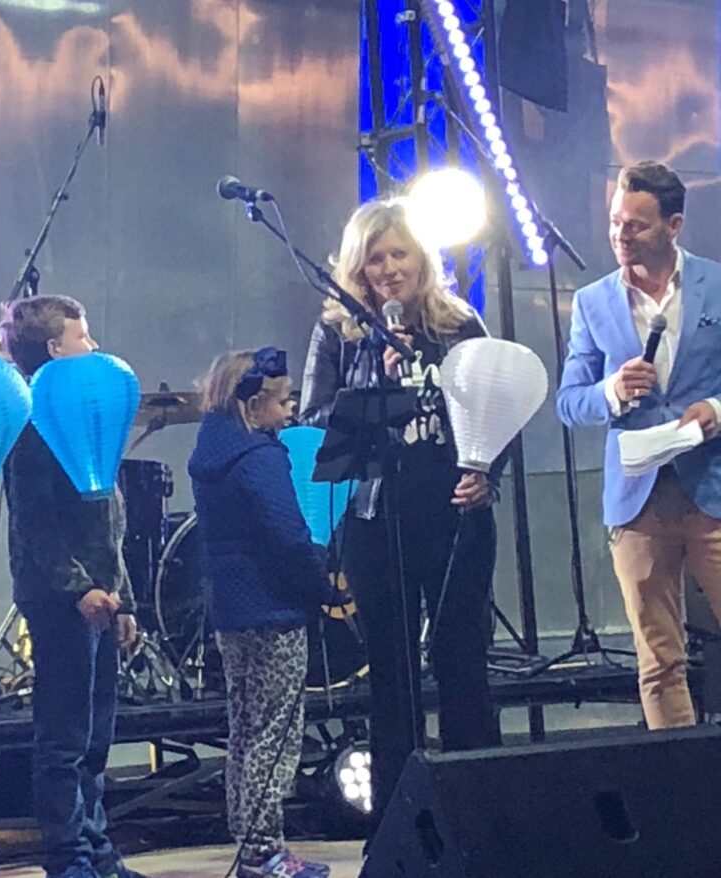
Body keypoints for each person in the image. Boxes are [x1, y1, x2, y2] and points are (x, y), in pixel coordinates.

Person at [300, 198, 502, 822]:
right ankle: (397, 822)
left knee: (462, 659)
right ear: (357, 270)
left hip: (453, 512)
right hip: (375, 517)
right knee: (391, 673)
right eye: (375, 259)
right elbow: (312, 420)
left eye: (399, 254)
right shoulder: (338, 333)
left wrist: (488, 473)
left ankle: (480, 812)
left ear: (422, 258)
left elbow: (500, 404)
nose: (389, 269)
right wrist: (372, 377)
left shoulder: (459, 323)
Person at [557, 161, 721, 729]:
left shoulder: (717, 284)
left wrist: (717, 410)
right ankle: (682, 794)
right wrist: (610, 391)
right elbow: (568, 401)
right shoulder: (592, 302)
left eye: (637, 225)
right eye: (614, 223)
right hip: (638, 501)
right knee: (658, 661)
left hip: (713, 489)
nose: (621, 236)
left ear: (674, 225)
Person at [0, 295, 143, 878]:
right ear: (56, 349)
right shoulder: (33, 423)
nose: (95, 347)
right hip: (63, 601)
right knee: (64, 737)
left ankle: (99, 853)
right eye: (85, 338)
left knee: (97, 736)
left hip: (101, 600)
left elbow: (110, 522)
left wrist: (123, 597)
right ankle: (70, 860)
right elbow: (37, 524)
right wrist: (80, 589)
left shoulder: (88, 419)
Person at [188, 347, 336, 878]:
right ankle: (265, 849)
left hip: (231, 611)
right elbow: (289, 536)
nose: (291, 411)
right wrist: (322, 588)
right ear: (254, 404)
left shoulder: (211, 455)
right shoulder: (261, 457)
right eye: (284, 400)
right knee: (277, 728)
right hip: (274, 608)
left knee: (246, 725)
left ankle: (249, 839)